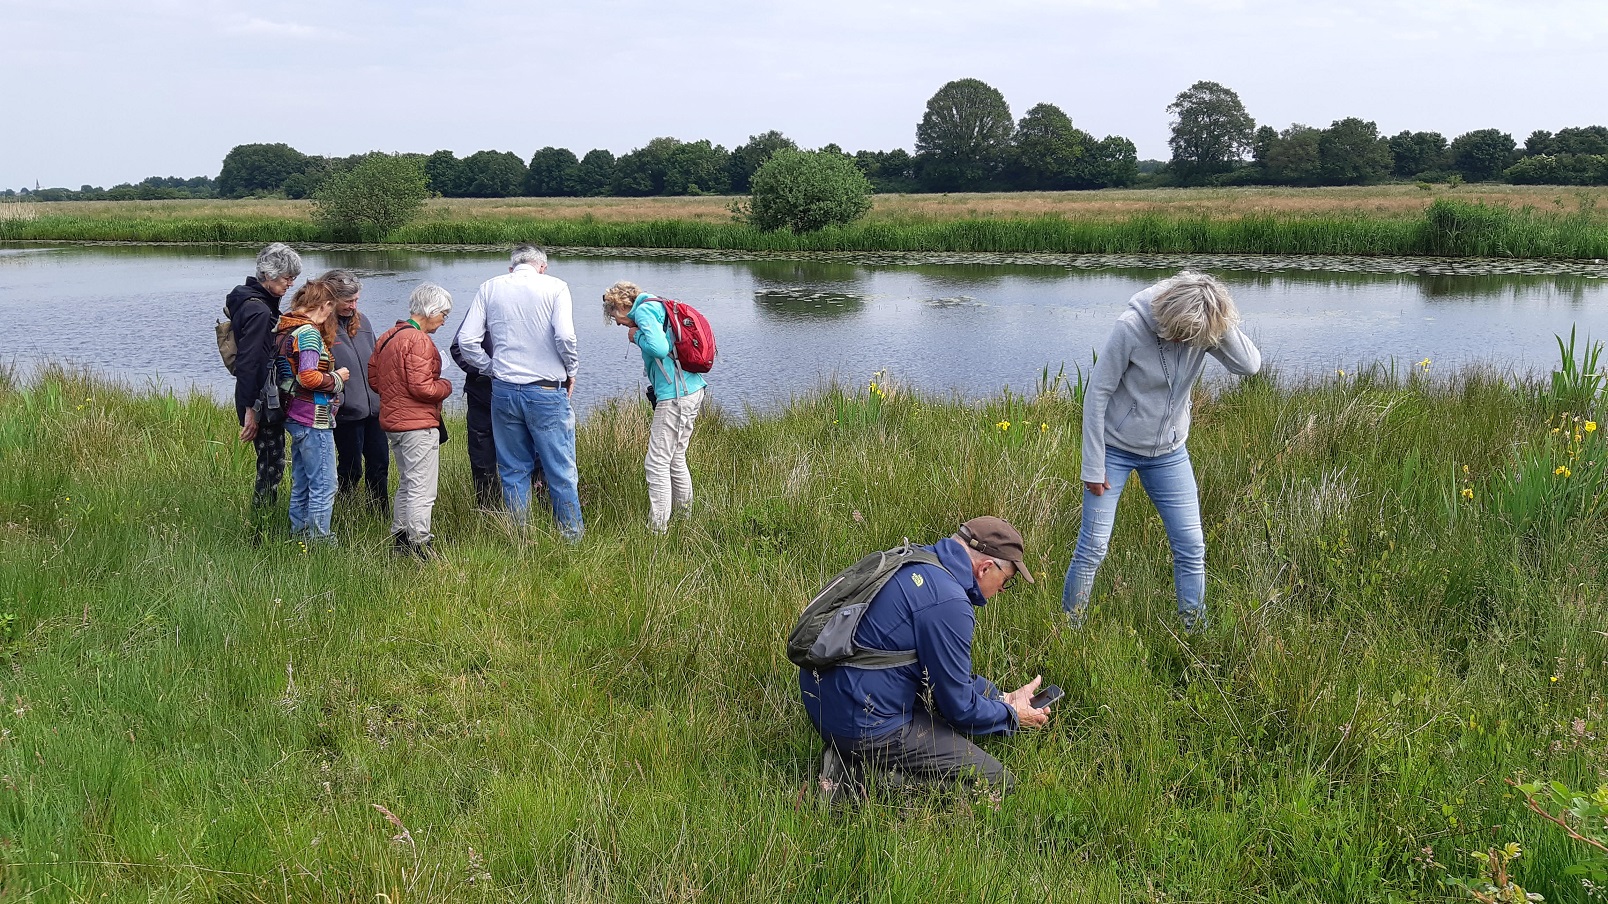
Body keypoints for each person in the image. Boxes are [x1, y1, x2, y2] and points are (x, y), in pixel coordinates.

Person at [1065, 270, 1262, 633]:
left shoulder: (1202, 329)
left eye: (1193, 337)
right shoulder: (1130, 327)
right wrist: (1093, 466)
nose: (1183, 342)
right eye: (1179, 332)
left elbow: (1249, 366)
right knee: (1093, 547)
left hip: (1170, 452)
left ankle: (1193, 631)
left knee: (1191, 546)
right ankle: (1069, 629)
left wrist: (1219, 321)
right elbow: (1096, 395)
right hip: (1115, 450)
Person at [798, 516, 1050, 798]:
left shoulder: (920, 558)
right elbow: (959, 709)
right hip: (863, 721)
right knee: (998, 783)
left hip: (822, 696)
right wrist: (1012, 715)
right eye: (1006, 581)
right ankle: (856, 775)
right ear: (986, 568)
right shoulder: (950, 603)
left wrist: (1001, 697)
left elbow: (945, 673)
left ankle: (852, 753)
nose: (1002, 590)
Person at [454, 244, 583, 540]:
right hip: (546, 389)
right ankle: (571, 538)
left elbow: (466, 340)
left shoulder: (490, 287)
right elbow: (565, 335)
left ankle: (520, 539)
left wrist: (490, 368)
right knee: (560, 469)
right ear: (543, 265)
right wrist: (572, 370)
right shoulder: (556, 287)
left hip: (503, 390)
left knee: (513, 470)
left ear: (511, 266)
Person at [602, 281, 706, 533]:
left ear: (622, 305)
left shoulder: (645, 311)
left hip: (675, 396)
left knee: (656, 462)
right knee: (675, 458)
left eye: (614, 315)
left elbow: (660, 348)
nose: (616, 322)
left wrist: (636, 336)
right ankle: (684, 520)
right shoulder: (657, 305)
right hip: (691, 391)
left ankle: (657, 530)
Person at [370, 284, 455, 559]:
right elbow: (424, 388)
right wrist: (446, 385)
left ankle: (401, 539)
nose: (444, 320)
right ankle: (420, 544)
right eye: (443, 313)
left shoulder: (387, 336)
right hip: (418, 425)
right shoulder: (419, 340)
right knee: (422, 488)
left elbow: (374, 380)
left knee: (407, 482)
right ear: (430, 310)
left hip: (394, 422)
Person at [227, 242, 301, 518]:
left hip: (258, 396)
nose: (291, 284)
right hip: (261, 401)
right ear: (268, 275)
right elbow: (250, 363)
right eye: (286, 278)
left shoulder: (246, 299)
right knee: (271, 465)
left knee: (269, 462)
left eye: (293, 278)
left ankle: (263, 521)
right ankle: (261, 527)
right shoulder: (259, 311)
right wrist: (250, 411)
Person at [273, 279, 349, 544]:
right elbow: (308, 377)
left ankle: (299, 535)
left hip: (292, 414)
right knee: (325, 483)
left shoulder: (284, 329)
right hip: (313, 418)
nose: (331, 315)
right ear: (325, 305)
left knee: (303, 481)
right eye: (332, 308)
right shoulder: (307, 333)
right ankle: (319, 541)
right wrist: (338, 378)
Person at [324, 269, 388, 513]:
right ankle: (345, 514)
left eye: (356, 300)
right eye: (348, 301)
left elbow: (375, 361)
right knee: (350, 468)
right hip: (345, 412)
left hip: (374, 409)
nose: (353, 306)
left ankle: (379, 514)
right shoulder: (319, 327)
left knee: (380, 464)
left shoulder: (364, 322)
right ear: (331, 299)